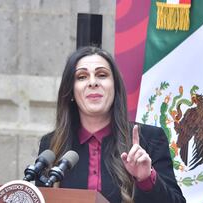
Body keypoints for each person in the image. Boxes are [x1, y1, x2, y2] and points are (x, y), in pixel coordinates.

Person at [36, 46, 186, 203]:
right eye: (81, 77)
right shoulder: (51, 145)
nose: (93, 82)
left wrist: (146, 179)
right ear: (71, 90)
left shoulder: (149, 138)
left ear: (115, 87)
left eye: (102, 75)